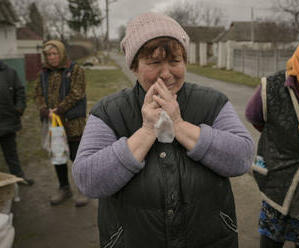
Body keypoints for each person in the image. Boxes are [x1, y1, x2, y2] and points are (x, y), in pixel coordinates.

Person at [73, 12, 254, 248]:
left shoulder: (212, 103)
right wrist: (148, 130)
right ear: (134, 66)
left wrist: (178, 124)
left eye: (175, 61)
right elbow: (88, 180)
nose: (166, 73)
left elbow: (242, 157)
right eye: (154, 62)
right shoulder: (109, 111)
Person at [245, 35, 299, 248]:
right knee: (272, 240)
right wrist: (281, 140)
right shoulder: (273, 87)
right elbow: (254, 116)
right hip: (280, 182)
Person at [34, 40, 88, 207]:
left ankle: (83, 189)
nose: (52, 57)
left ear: (62, 53)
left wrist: (57, 110)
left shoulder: (76, 70)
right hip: (54, 124)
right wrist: (44, 109)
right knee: (58, 156)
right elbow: (37, 94)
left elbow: (77, 93)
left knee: (75, 156)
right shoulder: (43, 73)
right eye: (48, 55)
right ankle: (64, 188)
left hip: (72, 123)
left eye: (55, 53)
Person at [0, 60, 34, 186]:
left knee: (11, 155)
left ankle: (18, 178)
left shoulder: (10, 72)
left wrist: (19, 108)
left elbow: (20, 91)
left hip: (7, 122)